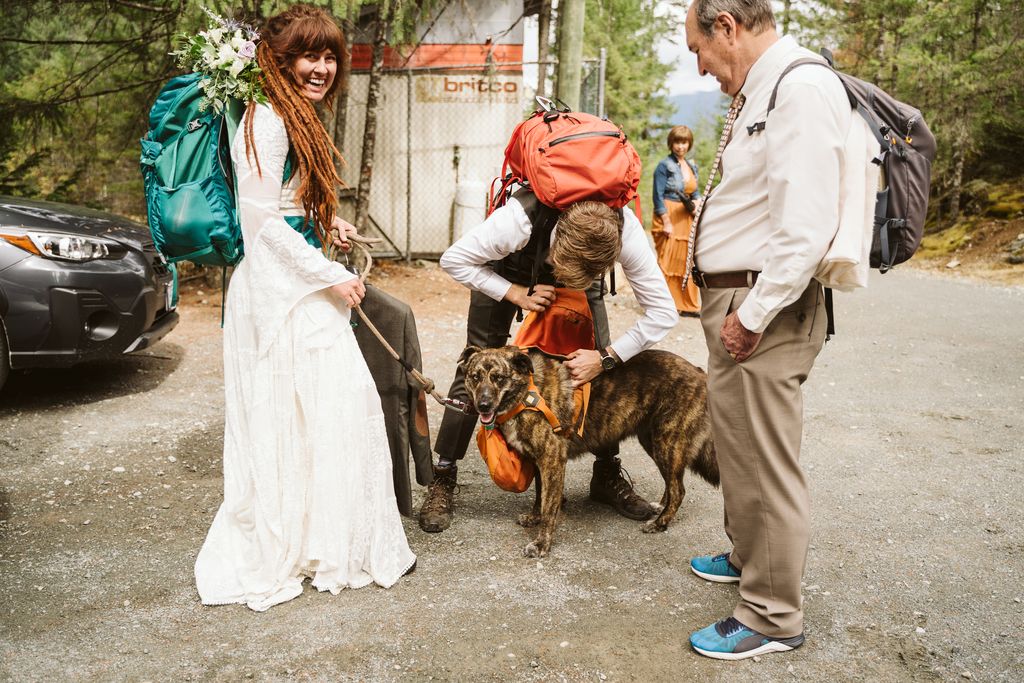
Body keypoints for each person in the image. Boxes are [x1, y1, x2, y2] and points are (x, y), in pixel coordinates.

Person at [194, 4, 415, 612]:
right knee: (323, 407)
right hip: (280, 293)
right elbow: (259, 221)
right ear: (280, 58)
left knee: (321, 411)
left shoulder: (291, 112)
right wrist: (330, 276)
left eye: (329, 57)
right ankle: (300, 543)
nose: (321, 68)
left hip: (293, 279)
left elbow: (285, 201)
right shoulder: (266, 116)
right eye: (309, 56)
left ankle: (321, 540)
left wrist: (329, 223)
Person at [681, 0, 852, 659]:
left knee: (768, 455)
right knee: (737, 443)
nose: (701, 68)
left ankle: (773, 614)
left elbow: (805, 228)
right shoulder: (764, 88)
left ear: (728, 27)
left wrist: (751, 316)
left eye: (699, 50)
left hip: (765, 305)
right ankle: (752, 557)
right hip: (739, 299)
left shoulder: (799, 87)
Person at [417, 188, 678, 533]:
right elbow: (453, 259)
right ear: (558, 248)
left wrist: (606, 357)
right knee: (479, 361)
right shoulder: (517, 220)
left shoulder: (625, 229)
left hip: (580, 266)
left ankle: (606, 473)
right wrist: (514, 293)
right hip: (505, 270)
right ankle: (444, 474)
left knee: (598, 367)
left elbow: (663, 312)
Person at [652, 125, 702, 317]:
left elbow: (694, 191)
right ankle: (664, 304)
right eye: (677, 142)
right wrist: (666, 221)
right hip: (669, 213)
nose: (680, 146)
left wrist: (697, 203)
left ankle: (686, 304)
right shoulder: (664, 166)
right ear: (671, 143)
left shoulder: (691, 166)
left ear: (689, 143)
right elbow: (657, 195)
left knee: (686, 260)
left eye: (684, 142)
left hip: (686, 216)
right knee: (668, 260)